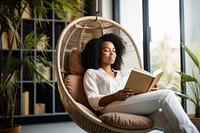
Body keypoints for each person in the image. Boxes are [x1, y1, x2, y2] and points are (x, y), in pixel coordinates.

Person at [81, 33, 198, 133]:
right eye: (106, 50)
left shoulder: (122, 73)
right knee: (166, 95)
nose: (112, 53)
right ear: (98, 53)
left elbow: (131, 92)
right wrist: (115, 96)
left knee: (167, 120)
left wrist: (147, 90)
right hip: (109, 106)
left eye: (114, 50)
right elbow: (93, 101)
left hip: (127, 104)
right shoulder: (92, 73)